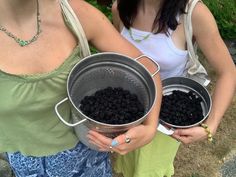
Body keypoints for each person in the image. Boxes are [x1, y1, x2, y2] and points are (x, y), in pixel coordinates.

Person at [0, 0, 163, 176]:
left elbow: (147, 67)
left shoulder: (74, 13)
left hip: (87, 153)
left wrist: (150, 128)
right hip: (26, 162)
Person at [112, 0, 236, 176]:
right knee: (128, 160)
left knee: (149, 169)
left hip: (165, 118)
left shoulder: (193, 13)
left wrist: (211, 124)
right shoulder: (121, 7)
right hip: (125, 109)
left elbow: (228, 72)